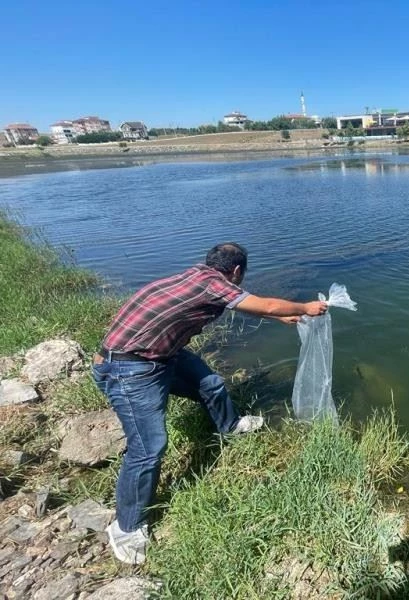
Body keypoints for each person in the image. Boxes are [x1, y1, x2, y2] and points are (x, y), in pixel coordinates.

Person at [91, 242, 327, 565]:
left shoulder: (198, 276)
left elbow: (257, 307)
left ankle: (231, 425)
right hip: (129, 367)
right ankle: (126, 527)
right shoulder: (216, 285)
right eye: (242, 275)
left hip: (158, 355)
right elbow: (267, 305)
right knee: (148, 447)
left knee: (211, 385)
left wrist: (282, 318)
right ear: (237, 272)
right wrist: (305, 307)